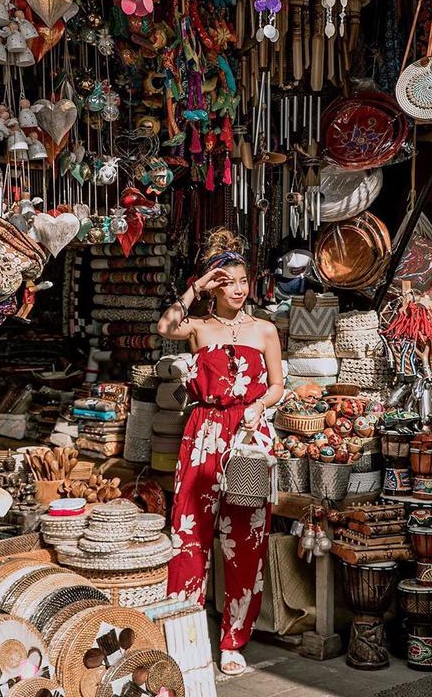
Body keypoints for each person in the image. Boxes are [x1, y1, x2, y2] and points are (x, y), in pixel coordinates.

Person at [157, 228, 284, 676]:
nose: (236, 288)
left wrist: (258, 408)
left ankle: (233, 641)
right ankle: (184, 636)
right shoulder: (198, 328)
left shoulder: (264, 329)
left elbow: (277, 386)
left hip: (246, 436)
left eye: (241, 280)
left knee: (245, 538)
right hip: (203, 432)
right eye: (225, 281)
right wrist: (194, 288)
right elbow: (165, 326)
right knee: (188, 535)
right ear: (213, 285)